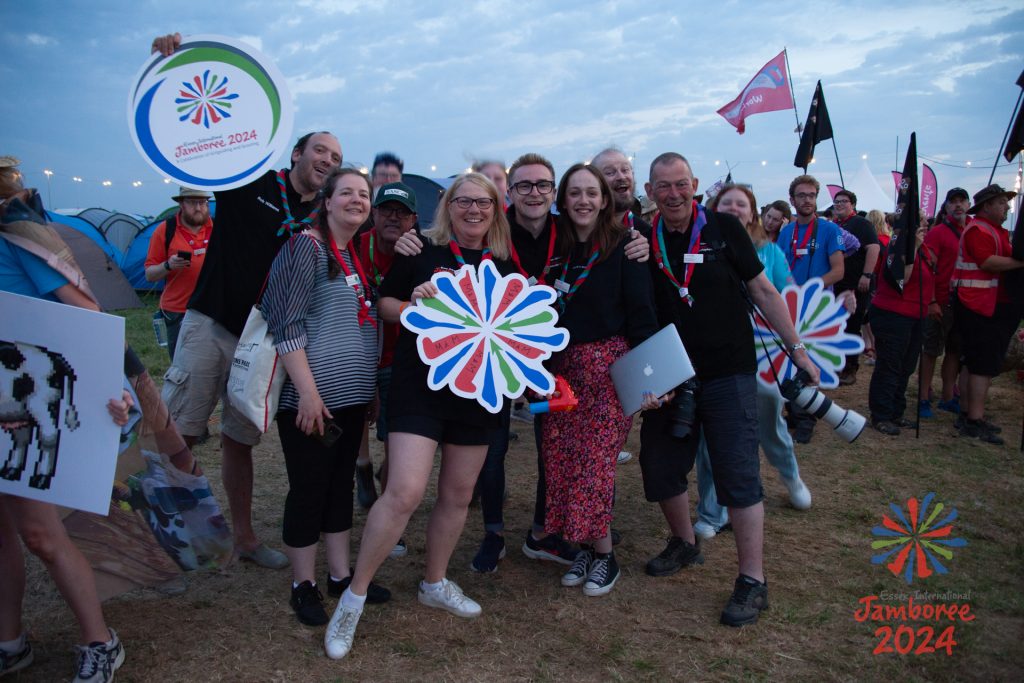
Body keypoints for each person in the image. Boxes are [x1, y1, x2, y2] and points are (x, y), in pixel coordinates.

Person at [153, 32, 343, 570]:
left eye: (337, 156)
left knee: (240, 442)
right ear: (297, 153)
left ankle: (243, 540)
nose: (328, 160)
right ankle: (170, 539)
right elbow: (206, 132)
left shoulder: (322, 218)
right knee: (181, 428)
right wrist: (179, 66)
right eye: (321, 151)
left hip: (260, 342)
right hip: (211, 321)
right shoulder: (248, 179)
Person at [326, 173, 513, 659]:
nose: (474, 210)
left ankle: (434, 582)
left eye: (484, 202)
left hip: (478, 389)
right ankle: (354, 595)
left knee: (457, 493)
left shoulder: (506, 263)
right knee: (405, 491)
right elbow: (385, 304)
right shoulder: (419, 252)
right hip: (421, 385)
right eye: (464, 201)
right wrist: (415, 302)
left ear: (495, 209)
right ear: (448, 206)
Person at [638, 153, 819, 627]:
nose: (673, 194)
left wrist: (797, 350)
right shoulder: (641, 237)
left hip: (728, 373)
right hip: (671, 374)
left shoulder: (724, 228)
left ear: (695, 185)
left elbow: (763, 291)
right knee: (659, 466)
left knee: (738, 474)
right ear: (650, 190)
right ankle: (684, 543)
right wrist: (645, 378)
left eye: (681, 185)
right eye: (663, 186)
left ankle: (752, 581)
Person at [0, 158, 133, 682]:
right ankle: (10, 641)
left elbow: (84, 317)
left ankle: (101, 641)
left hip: (22, 403)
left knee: (40, 533)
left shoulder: (17, 235)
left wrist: (109, 388)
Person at [262, 168, 392, 626]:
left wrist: (370, 389)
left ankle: (339, 575)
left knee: (338, 487)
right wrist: (308, 394)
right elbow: (286, 324)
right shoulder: (306, 246)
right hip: (313, 400)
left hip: (351, 397)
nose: (357, 201)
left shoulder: (351, 256)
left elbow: (359, 326)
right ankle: (304, 583)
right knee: (309, 490)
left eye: (364, 195)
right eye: (348, 193)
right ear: (328, 200)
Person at [542, 163, 657, 596]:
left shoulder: (627, 245)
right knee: (564, 459)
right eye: (575, 193)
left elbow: (642, 313)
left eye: (592, 193)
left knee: (595, 463)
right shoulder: (559, 250)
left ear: (605, 200)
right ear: (564, 200)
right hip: (562, 371)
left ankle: (605, 555)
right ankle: (587, 549)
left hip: (610, 368)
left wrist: (650, 381)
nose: (584, 201)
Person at [693, 184, 810, 542]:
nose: (732, 208)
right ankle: (713, 509)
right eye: (725, 203)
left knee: (769, 423)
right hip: (718, 354)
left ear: (753, 214)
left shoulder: (770, 252)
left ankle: (790, 475)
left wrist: (796, 347)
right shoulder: (698, 247)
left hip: (763, 354)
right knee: (710, 434)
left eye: (740, 204)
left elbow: (783, 295)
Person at [355, 180, 420, 560]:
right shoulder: (353, 247)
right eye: (386, 210)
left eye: (402, 212)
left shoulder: (419, 251)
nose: (393, 217)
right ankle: (361, 466)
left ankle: (387, 510)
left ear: (413, 219)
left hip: (399, 359)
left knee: (397, 445)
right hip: (357, 353)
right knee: (354, 426)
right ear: (373, 214)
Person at [952, 184, 1024, 444]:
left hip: (981, 303)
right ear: (987, 206)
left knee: (974, 362)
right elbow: (988, 263)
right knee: (981, 364)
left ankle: (968, 412)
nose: (1007, 208)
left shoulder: (991, 230)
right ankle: (974, 419)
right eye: (1002, 202)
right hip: (977, 304)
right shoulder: (979, 230)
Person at [777, 175, 844, 444]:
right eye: (802, 195)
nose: (807, 200)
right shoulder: (786, 232)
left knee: (809, 364)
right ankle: (792, 413)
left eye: (812, 195)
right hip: (789, 307)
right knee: (789, 361)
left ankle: (806, 420)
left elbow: (838, 271)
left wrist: (809, 287)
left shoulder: (828, 230)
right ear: (792, 200)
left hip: (816, 309)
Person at [868, 224, 935, 436]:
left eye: (925, 223)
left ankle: (896, 410)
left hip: (916, 314)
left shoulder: (924, 249)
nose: (923, 227)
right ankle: (882, 414)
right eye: (919, 223)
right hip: (894, 314)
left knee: (906, 366)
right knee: (890, 364)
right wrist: (913, 246)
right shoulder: (898, 248)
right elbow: (902, 279)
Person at [143, 187, 214, 360]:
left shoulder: (216, 229)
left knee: (210, 364)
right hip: (178, 310)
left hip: (211, 309)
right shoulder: (165, 230)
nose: (198, 207)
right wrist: (168, 265)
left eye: (202, 202)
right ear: (181, 204)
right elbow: (150, 275)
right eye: (192, 202)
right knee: (180, 366)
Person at [918, 188, 970, 417]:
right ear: (946, 206)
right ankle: (923, 397)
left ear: (968, 204)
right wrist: (930, 301)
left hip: (965, 301)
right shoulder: (938, 233)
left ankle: (948, 396)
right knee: (931, 351)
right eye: (953, 202)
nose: (958, 205)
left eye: (962, 201)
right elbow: (927, 267)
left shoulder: (972, 230)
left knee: (955, 351)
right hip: (941, 299)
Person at [831, 190, 880, 386]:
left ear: (853, 204)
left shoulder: (861, 223)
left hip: (856, 284)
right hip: (838, 284)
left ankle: (850, 368)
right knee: (838, 326)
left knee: (852, 325)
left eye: (844, 201)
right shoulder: (835, 226)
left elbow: (873, 248)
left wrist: (867, 274)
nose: (839, 204)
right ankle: (837, 365)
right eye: (837, 201)